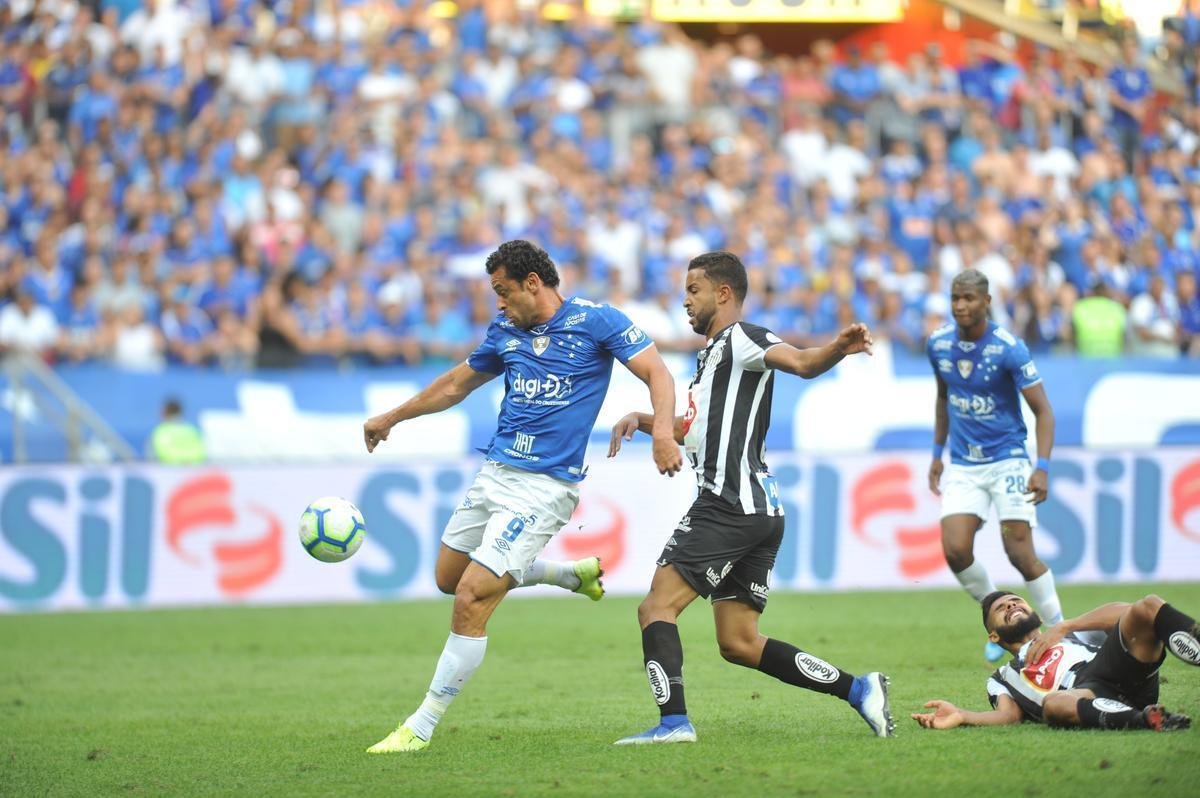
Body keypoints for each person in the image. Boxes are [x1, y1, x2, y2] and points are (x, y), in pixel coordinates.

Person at [361, 239, 683, 753]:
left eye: (504, 291)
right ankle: (563, 573)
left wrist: (662, 432)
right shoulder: (505, 332)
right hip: (494, 474)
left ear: (534, 284)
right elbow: (453, 386)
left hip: (545, 486)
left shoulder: (596, 321)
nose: (500, 303)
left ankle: (418, 727)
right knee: (448, 577)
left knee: (471, 595)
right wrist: (392, 417)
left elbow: (657, 373)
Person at [607, 251, 895, 744]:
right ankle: (859, 689)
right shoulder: (712, 357)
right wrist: (646, 418)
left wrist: (836, 348)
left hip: (728, 505)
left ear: (723, 293)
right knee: (739, 642)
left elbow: (802, 363)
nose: (685, 301)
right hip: (760, 511)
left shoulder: (742, 338)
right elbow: (697, 429)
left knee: (656, 608)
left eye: (693, 290)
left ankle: (673, 724)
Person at [927, 268, 1061, 663]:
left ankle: (1060, 631)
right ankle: (1000, 622)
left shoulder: (1009, 348)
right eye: (954, 298)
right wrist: (937, 454)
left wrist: (1042, 466)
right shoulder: (937, 344)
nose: (960, 306)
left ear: (986, 301)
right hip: (964, 462)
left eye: (968, 298)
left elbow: (1044, 411)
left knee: (1019, 552)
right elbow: (942, 399)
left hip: (1007, 457)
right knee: (955, 549)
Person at [912, 590, 1198, 731]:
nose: (1012, 605)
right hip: (1082, 695)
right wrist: (962, 715)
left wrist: (1065, 626)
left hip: (1113, 669)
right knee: (1053, 703)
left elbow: (1127, 613)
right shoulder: (1001, 677)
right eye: (1001, 608)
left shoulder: (1067, 633)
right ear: (994, 637)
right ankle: (1147, 719)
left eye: (1017, 601)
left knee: (1148, 605)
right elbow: (1008, 716)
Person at [149, 397, 207, 464]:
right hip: (194, 468)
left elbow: (162, 453)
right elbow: (201, 452)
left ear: (164, 413)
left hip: (169, 469)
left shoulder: (161, 431)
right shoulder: (191, 429)